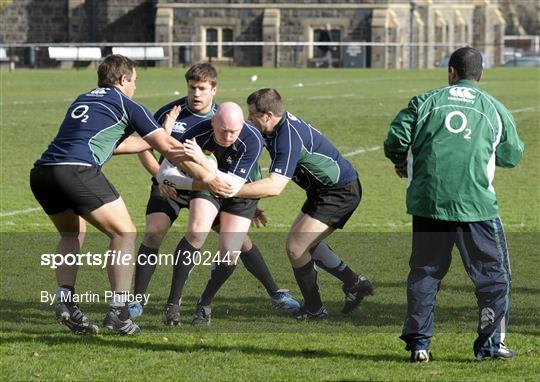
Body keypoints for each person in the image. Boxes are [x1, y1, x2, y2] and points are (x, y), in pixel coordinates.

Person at [29, 54, 224, 335]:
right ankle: (119, 311)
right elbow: (168, 148)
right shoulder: (126, 103)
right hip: (77, 171)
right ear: (123, 80)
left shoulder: (83, 99)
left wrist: (160, 134)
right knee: (125, 234)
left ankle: (65, 300)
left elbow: (114, 145)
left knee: (72, 234)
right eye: (134, 81)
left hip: (43, 173)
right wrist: (208, 175)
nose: (135, 87)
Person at [384, 47, 524, 362]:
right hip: (476, 207)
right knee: (493, 275)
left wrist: (399, 162)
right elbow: (511, 156)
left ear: (451, 72)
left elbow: (395, 140)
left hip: (429, 203)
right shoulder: (494, 108)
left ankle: (419, 345)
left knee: (425, 272)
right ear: (481, 73)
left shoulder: (424, 102)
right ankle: (490, 345)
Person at [130, 63, 299, 325]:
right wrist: (159, 176)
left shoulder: (240, 128)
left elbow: (235, 181)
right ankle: (143, 300)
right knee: (160, 231)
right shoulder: (173, 114)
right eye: (192, 87)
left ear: (214, 90)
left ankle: (269, 292)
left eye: (202, 88)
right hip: (180, 185)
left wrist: (248, 200)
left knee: (236, 244)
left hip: (214, 186)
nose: (196, 93)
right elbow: (147, 145)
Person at [222, 88, 373, 320]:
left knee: (296, 247)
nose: (248, 119)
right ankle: (354, 283)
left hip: (339, 192)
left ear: (268, 115)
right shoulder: (274, 129)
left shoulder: (287, 138)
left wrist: (232, 191)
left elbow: (275, 186)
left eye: (252, 114)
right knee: (305, 243)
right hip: (323, 190)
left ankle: (315, 309)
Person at [156, 101, 274, 326]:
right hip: (207, 188)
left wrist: (200, 161)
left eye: (233, 131)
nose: (228, 136)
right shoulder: (196, 134)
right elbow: (165, 173)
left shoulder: (252, 139)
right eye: (223, 130)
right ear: (212, 122)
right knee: (196, 233)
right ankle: (172, 304)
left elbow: (229, 186)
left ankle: (205, 303)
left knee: (230, 251)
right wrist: (186, 181)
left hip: (241, 192)